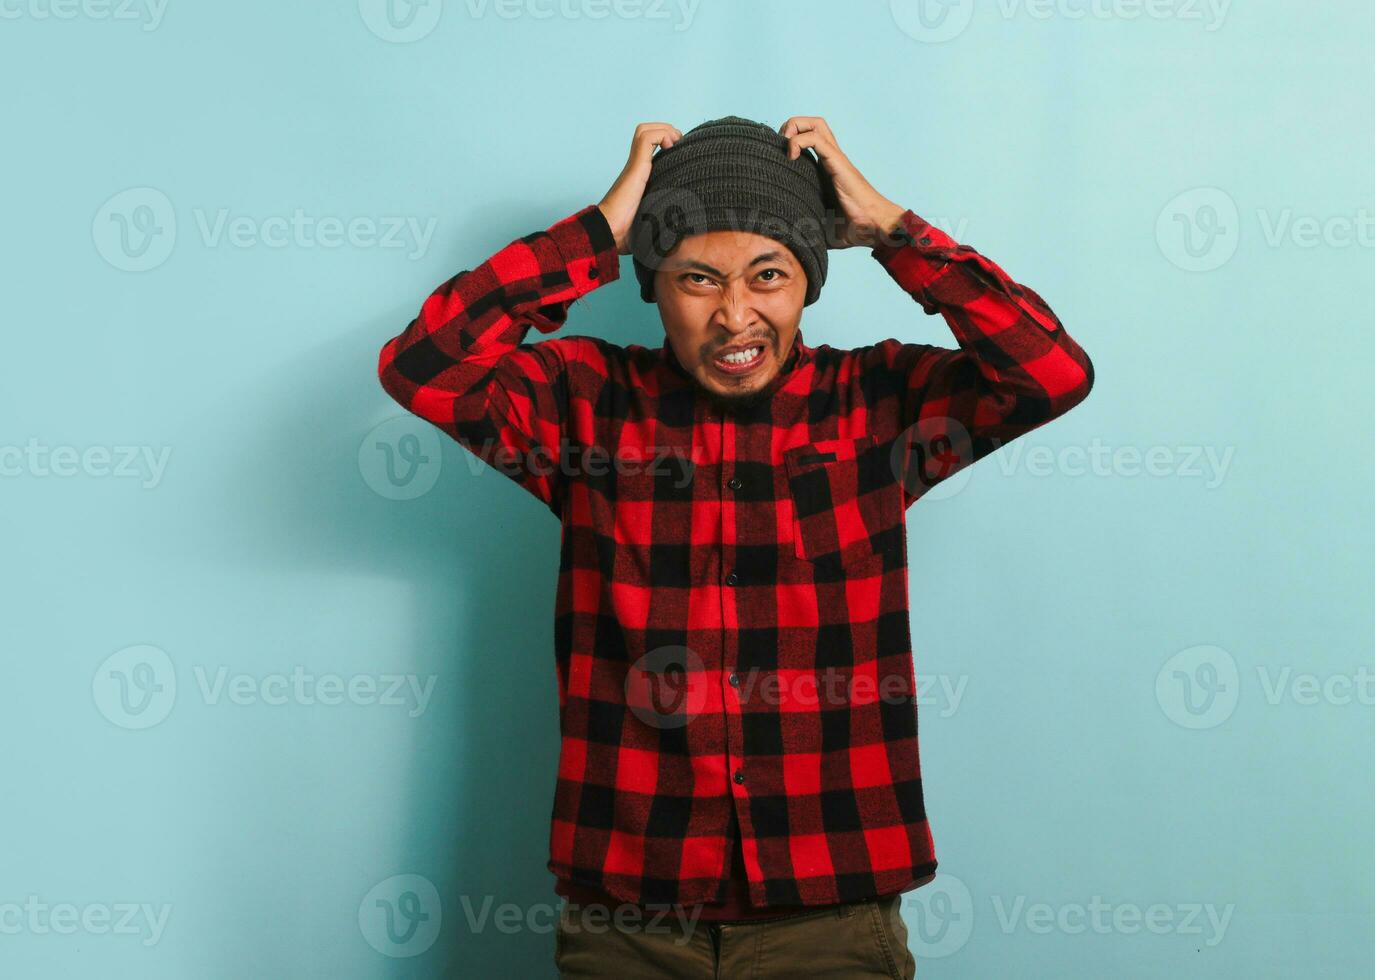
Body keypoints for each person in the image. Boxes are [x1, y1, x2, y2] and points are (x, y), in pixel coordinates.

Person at [377, 114, 1095, 978]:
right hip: (629, 920)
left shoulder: (877, 405)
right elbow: (421, 366)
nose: (735, 314)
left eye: (768, 276)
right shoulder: (582, 404)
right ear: (653, 287)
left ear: (807, 285)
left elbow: (1051, 373)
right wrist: (599, 233)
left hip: (831, 910)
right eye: (697, 280)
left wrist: (894, 232)